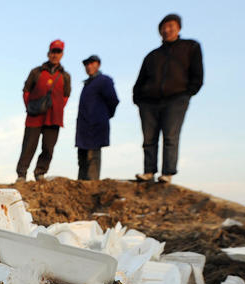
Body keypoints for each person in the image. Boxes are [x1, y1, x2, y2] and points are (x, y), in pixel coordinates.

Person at [133, 13, 203, 184]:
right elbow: (141, 79)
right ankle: (149, 171)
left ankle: (167, 173)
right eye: (163, 27)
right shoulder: (152, 56)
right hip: (149, 102)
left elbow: (197, 73)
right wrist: (138, 98)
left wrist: (189, 92)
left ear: (178, 28)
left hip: (176, 98)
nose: (167, 30)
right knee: (149, 138)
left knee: (171, 135)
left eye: (170, 26)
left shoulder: (190, 47)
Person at [16, 40, 71, 183]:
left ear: (62, 54)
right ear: (49, 53)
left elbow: (66, 96)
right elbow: (26, 91)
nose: (55, 55)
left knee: (48, 147)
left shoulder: (65, 76)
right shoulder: (36, 72)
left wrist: (57, 108)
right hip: (34, 116)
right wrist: (31, 107)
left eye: (58, 52)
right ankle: (21, 174)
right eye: (53, 51)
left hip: (54, 117)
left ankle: (40, 172)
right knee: (28, 146)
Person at [75, 55, 119, 181]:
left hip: (96, 126)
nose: (89, 67)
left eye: (91, 64)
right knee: (82, 158)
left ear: (98, 65)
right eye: (86, 64)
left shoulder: (104, 81)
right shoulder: (87, 84)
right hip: (83, 127)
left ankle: (91, 185)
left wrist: (103, 116)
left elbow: (113, 100)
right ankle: (81, 185)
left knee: (93, 156)